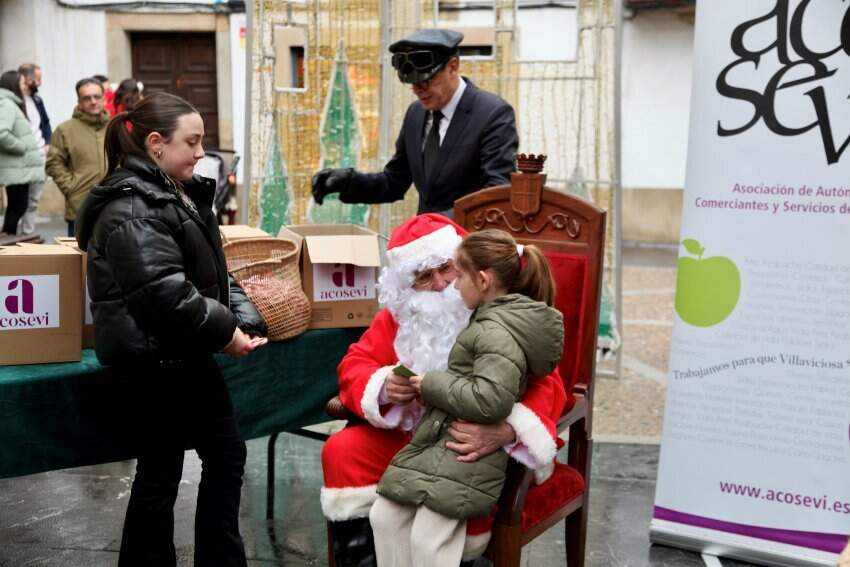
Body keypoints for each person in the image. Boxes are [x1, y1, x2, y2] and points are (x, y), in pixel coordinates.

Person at [75, 91, 268, 567]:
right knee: (165, 472)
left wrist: (243, 316)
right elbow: (165, 295)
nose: (202, 153)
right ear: (156, 144)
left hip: (180, 354)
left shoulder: (167, 191)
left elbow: (211, 273)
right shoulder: (132, 208)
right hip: (152, 363)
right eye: (193, 142)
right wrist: (227, 333)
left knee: (218, 459)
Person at [321, 214, 567, 566]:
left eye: (447, 269)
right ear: (407, 285)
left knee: (446, 495)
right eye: (423, 276)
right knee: (343, 449)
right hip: (413, 436)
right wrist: (385, 386)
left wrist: (507, 430)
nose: (439, 284)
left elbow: (549, 384)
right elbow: (355, 363)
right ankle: (367, 558)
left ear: (473, 273)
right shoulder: (399, 316)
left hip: (467, 440)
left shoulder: (497, 314)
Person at [312, 29, 518, 217]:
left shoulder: (492, 114)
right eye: (411, 83)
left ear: (453, 66)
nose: (417, 90)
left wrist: (438, 223)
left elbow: (497, 194)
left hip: (471, 249)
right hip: (426, 246)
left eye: (425, 80)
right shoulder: (416, 114)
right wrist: (347, 181)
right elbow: (393, 182)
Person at [46, 77, 109, 237]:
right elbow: (54, 164)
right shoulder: (65, 130)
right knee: (77, 259)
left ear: (104, 98)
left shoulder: (115, 127)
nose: (93, 101)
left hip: (115, 205)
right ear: (79, 101)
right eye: (87, 98)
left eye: (97, 96)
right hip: (80, 206)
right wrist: (71, 188)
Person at [0, 70, 45, 236]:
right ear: (13, 85)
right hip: (17, 167)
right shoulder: (7, 104)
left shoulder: (9, 102)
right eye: (22, 82)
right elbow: (2, 133)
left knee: (17, 205)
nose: (25, 85)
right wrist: (21, 147)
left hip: (18, 167)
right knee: (18, 206)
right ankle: (7, 240)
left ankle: (8, 238)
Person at [17, 63, 52, 235]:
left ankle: (27, 234)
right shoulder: (13, 101)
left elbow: (45, 123)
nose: (40, 82)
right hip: (22, 158)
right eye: (37, 78)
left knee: (34, 200)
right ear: (26, 78)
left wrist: (48, 142)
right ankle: (13, 236)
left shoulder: (37, 100)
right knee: (20, 201)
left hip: (41, 156)